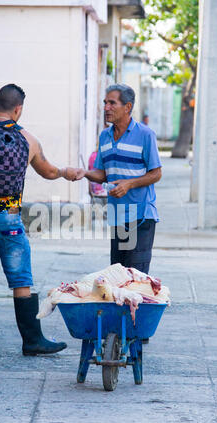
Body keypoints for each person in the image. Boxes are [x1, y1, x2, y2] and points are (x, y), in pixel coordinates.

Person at [0, 83, 80, 358]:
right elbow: (49, 171)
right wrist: (66, 172)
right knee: (20, 279)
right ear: (18, 109)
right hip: (10, 221)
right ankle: (32, 341)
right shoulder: (28, 140)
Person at [77, 84, 162, 341]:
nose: (106, 108)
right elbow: (103, 174)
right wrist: (84, 173)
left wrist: (129, 184)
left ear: (128, 107)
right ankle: (124, 327)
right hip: (118, 217)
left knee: (137, 274)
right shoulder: (104, 137)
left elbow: (156, 172)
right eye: (105, 102)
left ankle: (138, 332)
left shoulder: (145, 135)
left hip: (141, 215)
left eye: (112, 103)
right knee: (119, 273)